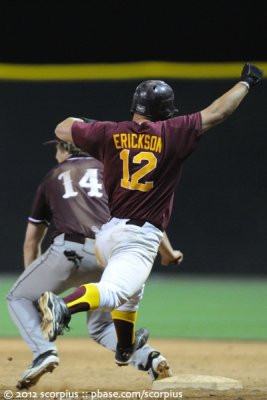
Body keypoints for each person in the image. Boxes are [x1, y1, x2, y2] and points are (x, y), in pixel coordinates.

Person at [38, 62, 263, 368]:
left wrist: (91, 125)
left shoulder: (109, 132)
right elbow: (218, 112)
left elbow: (62, 127)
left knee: (132, 292)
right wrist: (247, 83)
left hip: (107, 235)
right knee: (116, 291)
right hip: (138, 238)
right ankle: (61, 306)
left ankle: (125, 347)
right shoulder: (172, 133)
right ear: (165, 112)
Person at [7, 139, 183, 389]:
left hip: (68, 250)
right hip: (110, 253)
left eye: (58, 147)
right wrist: (169, 252)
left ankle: (44, 352)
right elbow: (142, 218)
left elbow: (31, 242)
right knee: (102, 326)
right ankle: (150, 359)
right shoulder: (113, 169)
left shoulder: (53, 176)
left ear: (67, 149)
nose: (56, 153)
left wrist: (36, 290)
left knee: (18, 297)